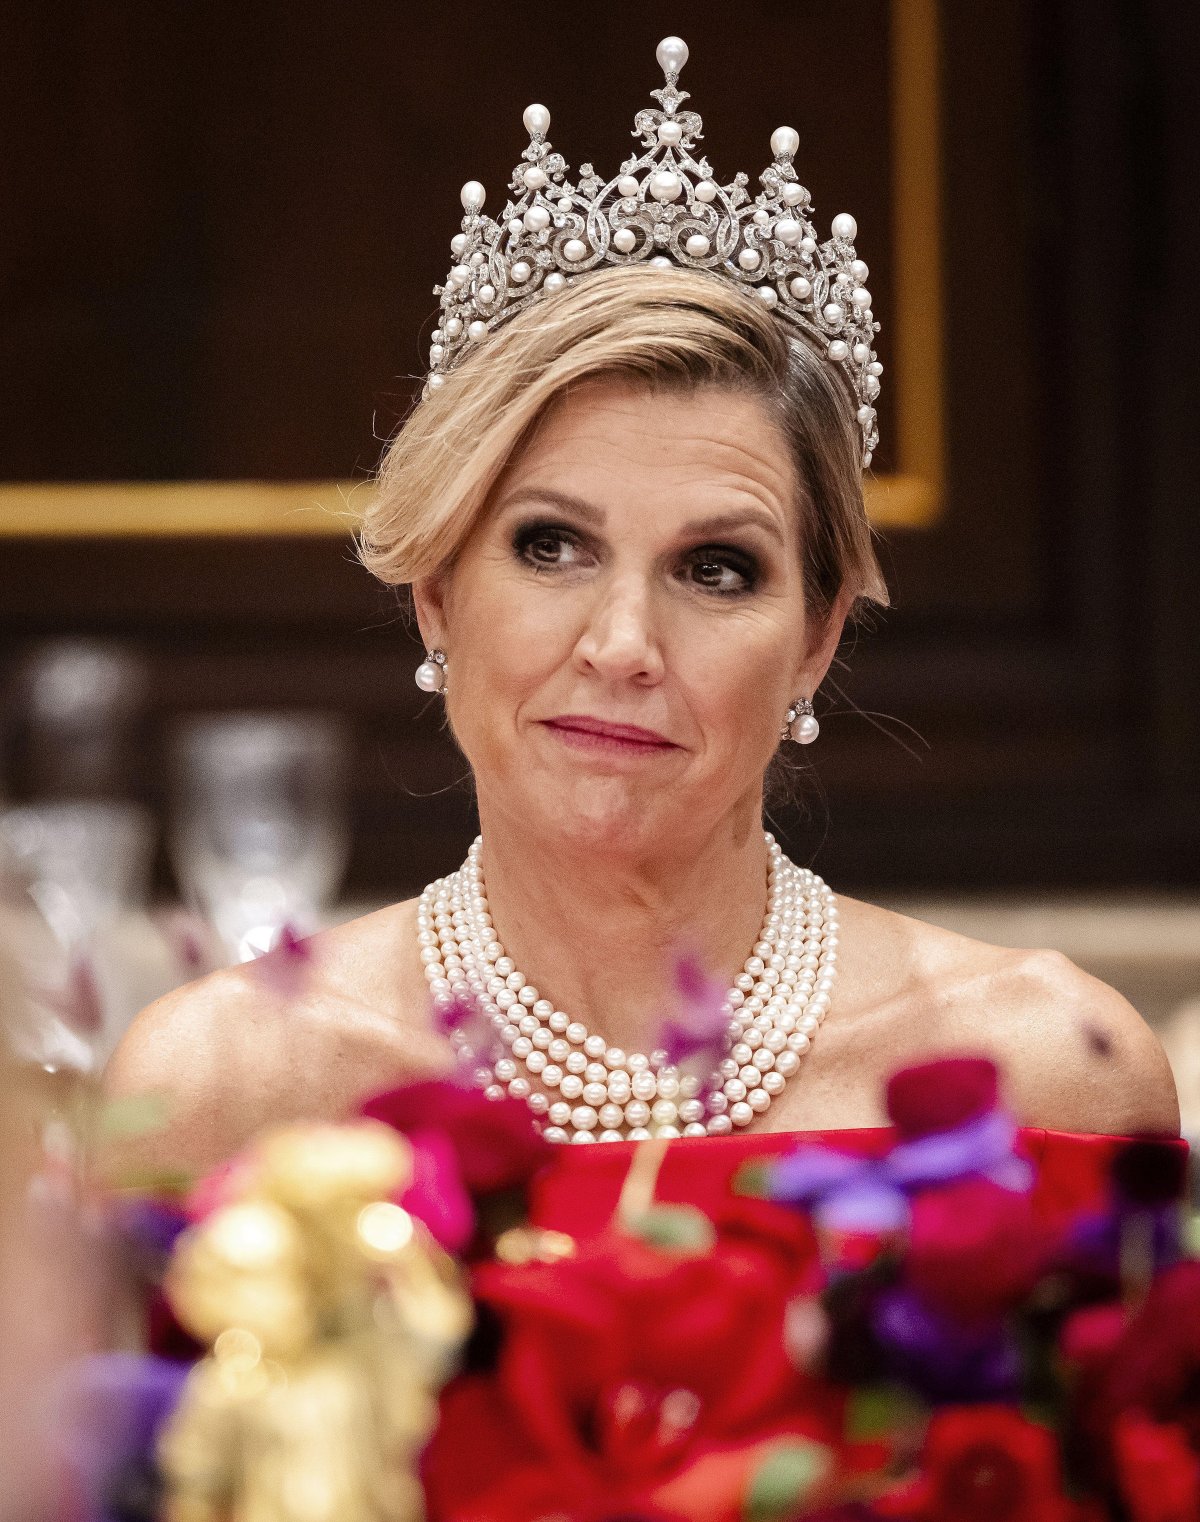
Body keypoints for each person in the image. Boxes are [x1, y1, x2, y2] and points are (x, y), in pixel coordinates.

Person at [103, 37, 1179, 1176]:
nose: (623, 647)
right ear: (435, 595)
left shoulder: (1047, 1081)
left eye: (717, 569)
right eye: (550, 545)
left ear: (817, 637)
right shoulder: (222, 1091)